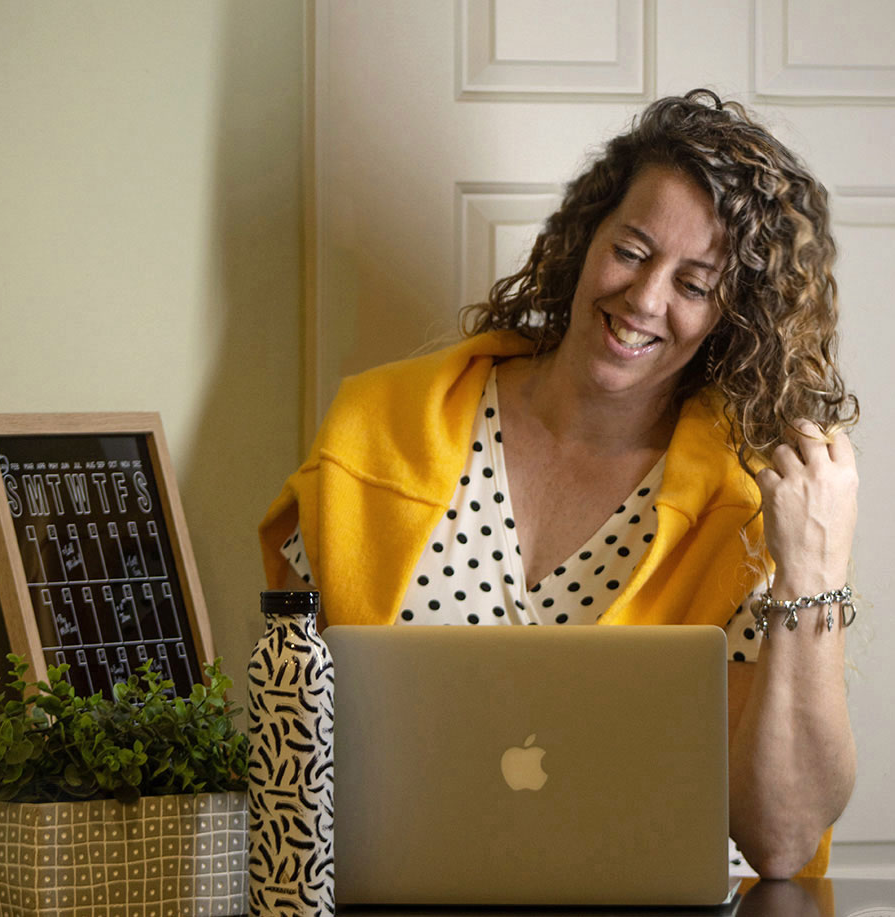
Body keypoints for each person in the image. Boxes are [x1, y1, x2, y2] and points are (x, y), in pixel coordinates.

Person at [259, 89, 859, 880]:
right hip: (402, 891)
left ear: (733, 315)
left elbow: (778, 841)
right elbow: (288, 748)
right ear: (586, 237)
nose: (644, 299)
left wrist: (813, 572)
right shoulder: (374, 424)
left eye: (693, 283)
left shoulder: (741, 506)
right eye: (633, 249)